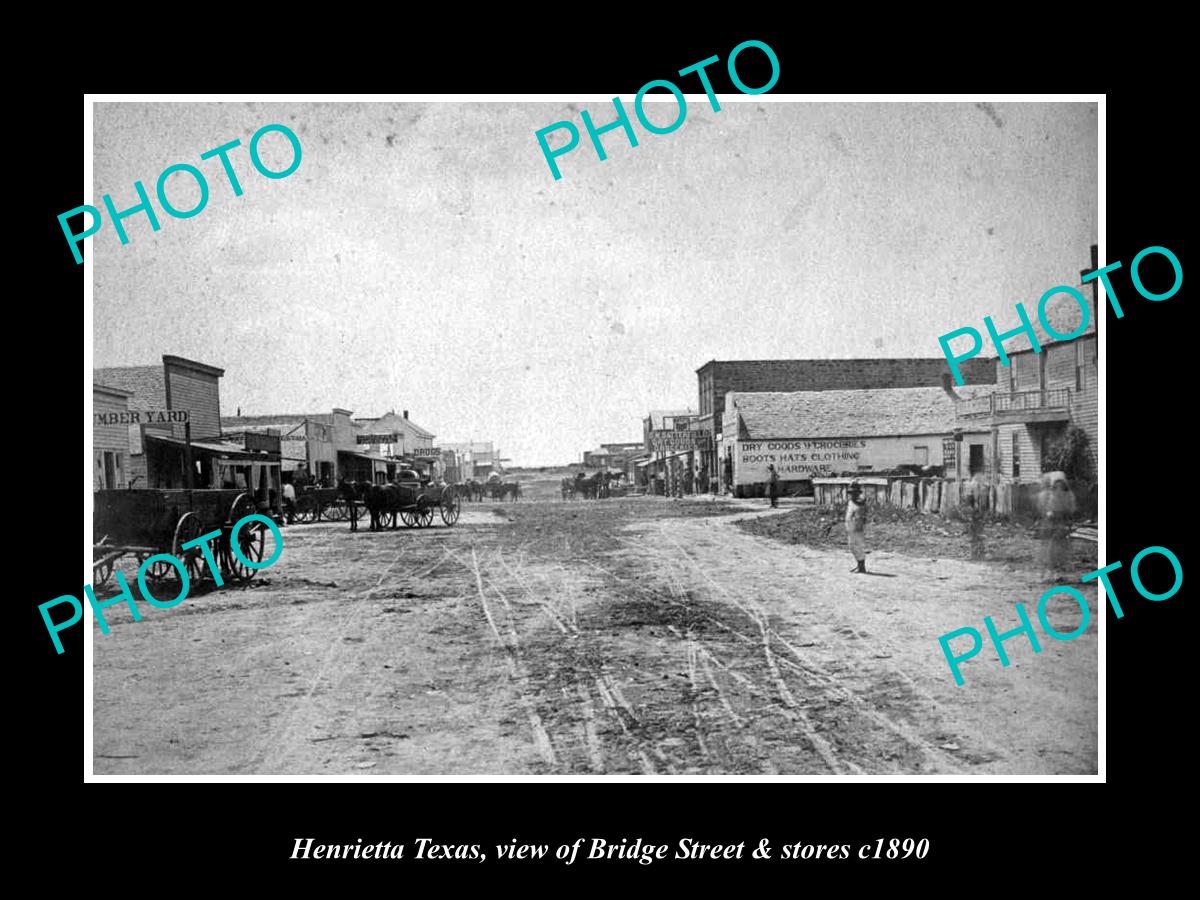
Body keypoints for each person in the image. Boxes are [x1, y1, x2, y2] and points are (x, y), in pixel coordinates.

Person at [1037, 471, 1076, 581]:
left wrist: (1067, 517)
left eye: (1061, 485)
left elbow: (1071, 509)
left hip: (1062, 523)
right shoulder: (1048, 496)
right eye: (1057, 485)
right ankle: (1047, 571)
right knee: (1049, 547)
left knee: (1061, 548)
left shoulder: (1069, 496)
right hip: (1050, 523)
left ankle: (1058, 572)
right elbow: (1044, 509)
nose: (1059, 488)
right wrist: (1049, 513)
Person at [846, 480, 868, 573]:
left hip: (856, 527)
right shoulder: (851, 502)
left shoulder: (860, 503)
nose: (851, 494)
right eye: (850, 492)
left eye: (853, 492)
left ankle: (861, 566)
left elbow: (861, 516)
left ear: (857, 493)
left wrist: (857, 526)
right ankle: (860, 565)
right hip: (851, 526)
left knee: (855, 546)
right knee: (853, 546)